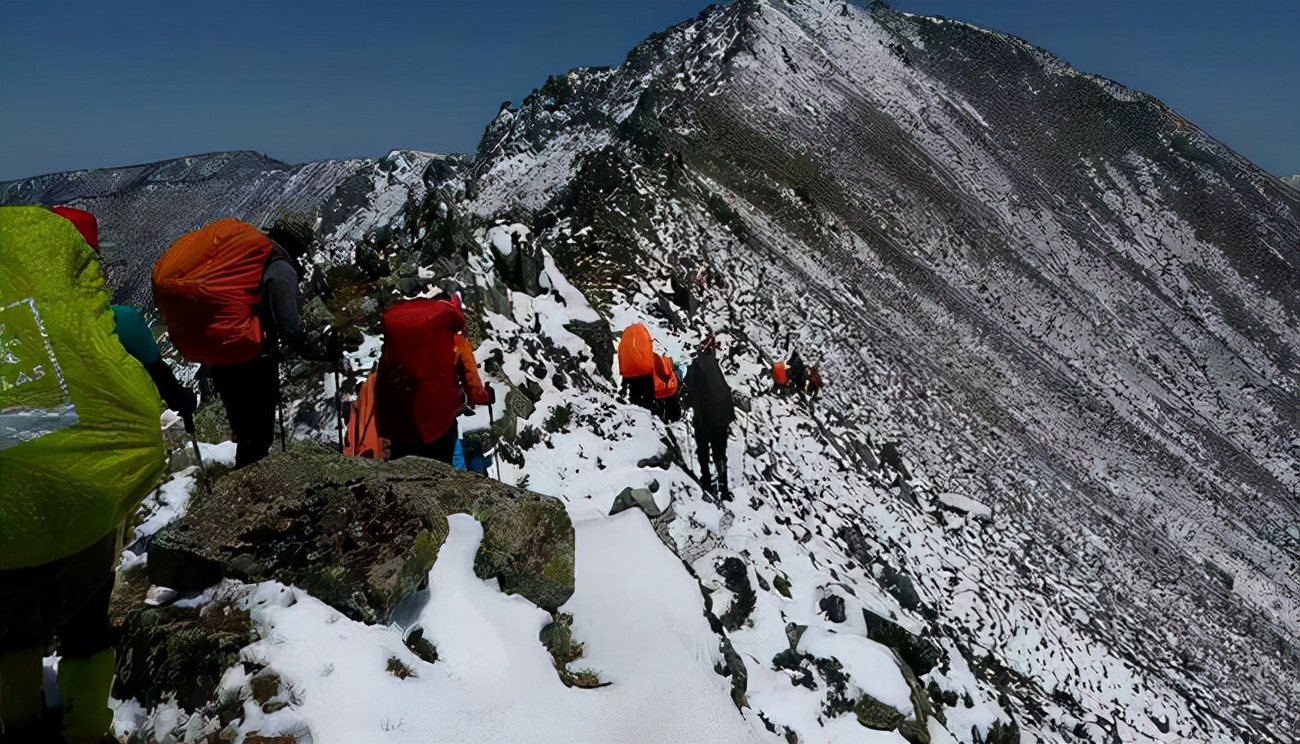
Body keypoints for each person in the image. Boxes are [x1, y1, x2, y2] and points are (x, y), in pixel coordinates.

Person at [1, 205, 168, 744]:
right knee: (87, 622)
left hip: (5, 514)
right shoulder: (113, 322)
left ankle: (23, 724)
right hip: (85, 497)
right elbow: (147, 385)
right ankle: (87, 730)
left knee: (9, 625)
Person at [50, 206, 198, 425]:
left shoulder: (16, 323)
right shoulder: (121, 322)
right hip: (114, 443)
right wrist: (184, 400)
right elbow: (169, 390)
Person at [206, 217, 334, 468]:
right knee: (258, 437)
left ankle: (243, 487)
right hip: (255, 359)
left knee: (245, 433)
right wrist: (315, 351)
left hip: (223, 354)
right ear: (296, 246)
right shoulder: (279, 270)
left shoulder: (245, 261)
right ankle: (252, 492)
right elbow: (290, 326)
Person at [375, 290, 494, 464]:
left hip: (402, 421)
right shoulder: (457, 341)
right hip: (440, 424)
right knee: (439, 473)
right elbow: (473, 387)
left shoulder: (403, 341)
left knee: (402, 472)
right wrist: (487, 396)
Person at [684, 336, 736, 501]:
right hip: (722, 417)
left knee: (703, 450)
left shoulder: (695, 366)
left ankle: (706, 481)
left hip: (705, 418)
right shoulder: (714, 365)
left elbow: (692, 393)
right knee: (720, 452)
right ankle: (724, 488)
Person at [618, 323, 656, 411]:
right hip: (644, 371)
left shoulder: (624, 343)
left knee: (635, 397)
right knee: (648, 399)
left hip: (630, 374)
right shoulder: (641, 334)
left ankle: (636, 416)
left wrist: (624, 384)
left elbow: (622, 359)